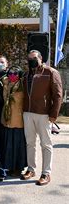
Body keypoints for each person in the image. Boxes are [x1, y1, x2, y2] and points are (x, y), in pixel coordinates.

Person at [21, 50, 62, 185]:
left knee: (46, 144)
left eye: (34, 58)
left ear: (40, 58)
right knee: (30, 143)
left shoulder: (50, 72)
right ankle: (31, 169)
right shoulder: (26, 74)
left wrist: (53, 115)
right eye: (29, 59)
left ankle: (46, 173)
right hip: (28, 113)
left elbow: (57, 95)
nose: (31, 61)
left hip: (44, 114)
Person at [0, 66, 27, 177]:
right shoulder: (5, 84)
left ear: (19, 74)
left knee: (18, 145)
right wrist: (5, 84)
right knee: (9, 145)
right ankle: (9, 166)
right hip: (7, 119)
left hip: (18, 120)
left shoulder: (22, 85)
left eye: (15, 73)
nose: (12, 75)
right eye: (10, 73)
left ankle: (18, 168)